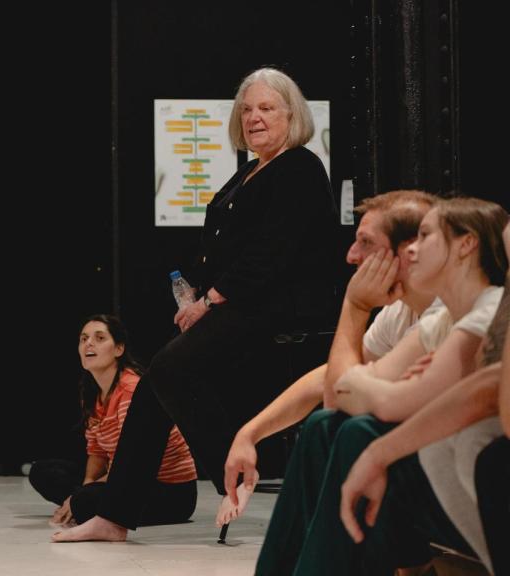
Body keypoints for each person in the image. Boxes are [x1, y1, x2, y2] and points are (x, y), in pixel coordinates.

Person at [54, 66, 338, 543]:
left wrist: (208, 301)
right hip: (238, 306)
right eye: (247, 109)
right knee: (152, 386)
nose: (254, 117)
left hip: (278, 309)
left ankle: (236, 473)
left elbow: (271, 253)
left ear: (293, 114)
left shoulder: (300, 167)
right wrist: (200, 299)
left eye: (267, 108)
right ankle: (115, 516)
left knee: (168, 369)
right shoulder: (250, 170)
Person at [254, 197, 508, 575]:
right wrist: (251, 432)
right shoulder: (435, 318)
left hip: (468, 483)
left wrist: (356, 312)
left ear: (466, 244)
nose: (413, 249)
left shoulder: (483, 308)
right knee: (327, 426)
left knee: (359, 432)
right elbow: (337, 392)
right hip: (444, 480)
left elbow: (371, 396)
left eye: (424, 236)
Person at [220, 190, 439, 526]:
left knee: (335, 428)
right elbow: (328, 378)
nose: (352, 255)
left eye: (365, 242)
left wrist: (354, 307)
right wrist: (249, 434)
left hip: (431, 471)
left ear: (410, 251)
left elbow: (337, 399)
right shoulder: (400, 311)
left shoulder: (440, 316)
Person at [29, 315, 197, 528]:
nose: (88, 343)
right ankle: (83, 503)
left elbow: (131, 460)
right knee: (43, 472)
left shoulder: (130, 390)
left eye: (99, 338)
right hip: (125, 477)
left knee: (85, 501)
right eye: (83, 339)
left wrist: (82, 496)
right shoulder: (92, 393)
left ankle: (84, 504)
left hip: (169, 492)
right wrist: (86, 486)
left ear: (119, 349)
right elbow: (97, 451)